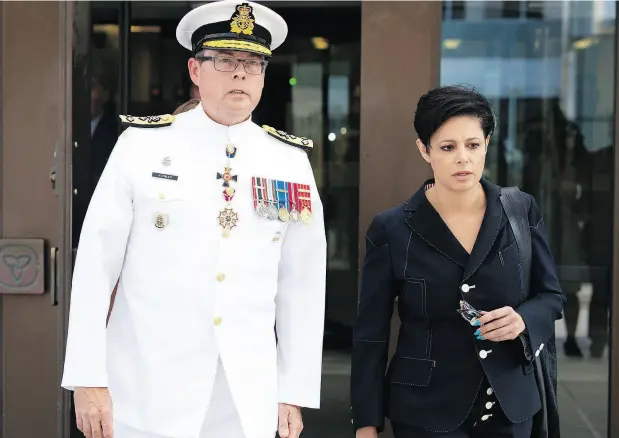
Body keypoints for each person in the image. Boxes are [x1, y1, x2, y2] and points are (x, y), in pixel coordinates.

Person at [61, 2, 327, 438]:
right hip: (148, 388)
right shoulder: (141, 147)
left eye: (253, 62)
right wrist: (88, 378)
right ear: (195, 70)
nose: (240, 73)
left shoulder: (288, 161)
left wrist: (292, 389)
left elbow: (302, 284)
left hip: (244, 395)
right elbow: (96, 266)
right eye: (225, 60)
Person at [350, 85, 565, 438]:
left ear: (487, 143)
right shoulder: (391, 228)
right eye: (448, 147)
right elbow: (370, 333)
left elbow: (552, 296)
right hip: (424, 411)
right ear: (424, 150)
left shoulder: (520, 210)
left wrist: (523, 320)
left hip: (511, 406)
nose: (463, 158)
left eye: (473, 145)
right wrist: (366, 423)